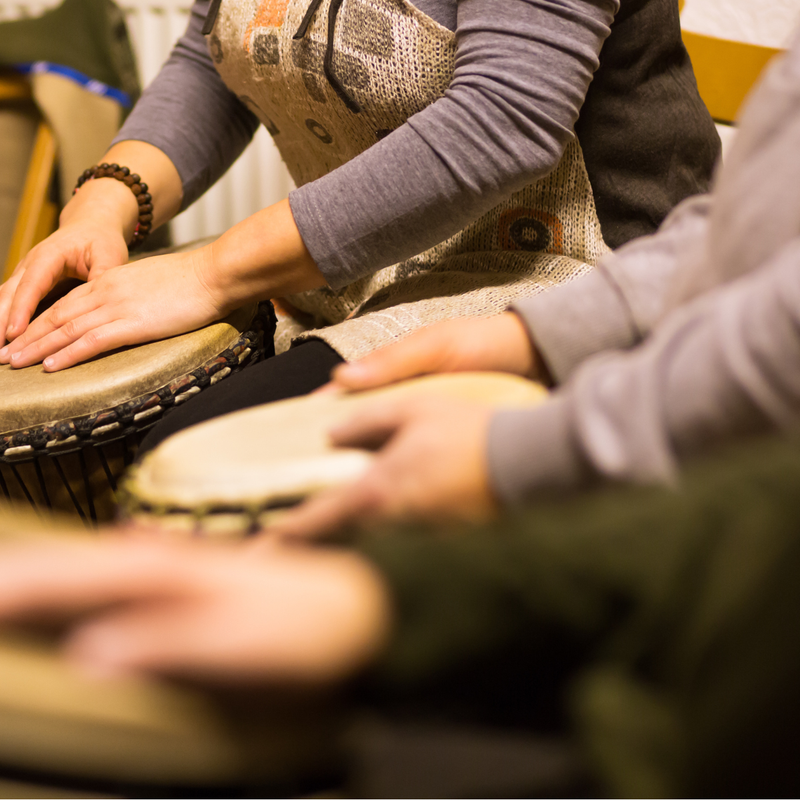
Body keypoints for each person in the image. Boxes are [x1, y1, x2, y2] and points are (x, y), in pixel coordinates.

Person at [0, 0, 717, 456]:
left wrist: (210, 271)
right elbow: (215, 57)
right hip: (361, 269)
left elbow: (504, 119)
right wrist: (105, 203)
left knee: (187, 451)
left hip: (569, 273)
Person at [269, 25, 800, 538]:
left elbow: (781, 350)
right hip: (581, 309)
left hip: (559, 263)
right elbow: (745, 234)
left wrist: (511, 455)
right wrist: (527, 338)